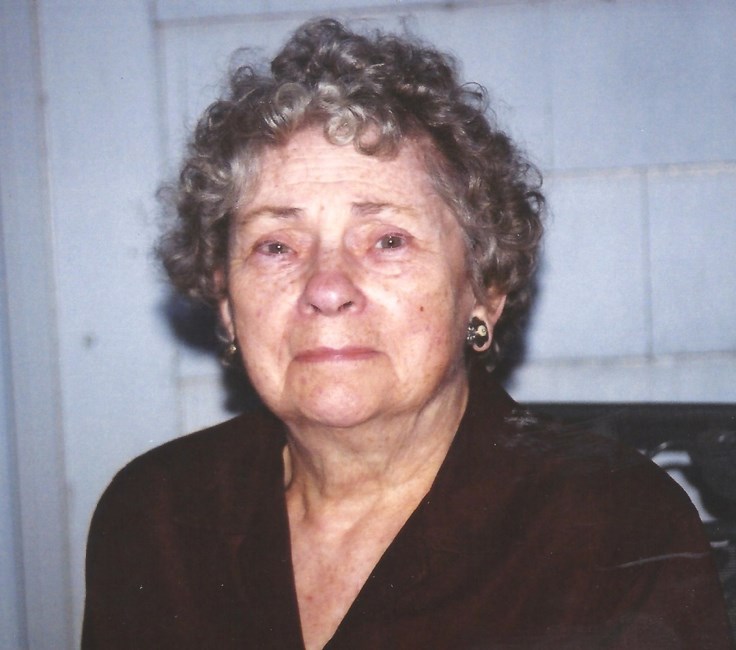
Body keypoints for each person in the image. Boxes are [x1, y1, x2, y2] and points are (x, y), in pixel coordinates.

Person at [82, 18, 732, 649]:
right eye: (276, 246)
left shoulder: (612, 528)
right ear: (226, 303)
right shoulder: (156, 516)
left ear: (485, 288)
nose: (326, 288)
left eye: (387, 240)